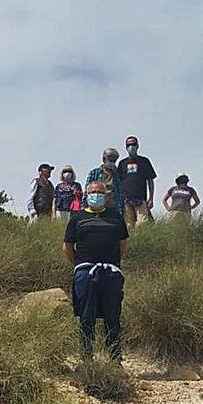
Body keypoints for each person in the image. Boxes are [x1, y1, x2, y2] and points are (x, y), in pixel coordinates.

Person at [63, 181, 129, 362]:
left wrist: (113, 262)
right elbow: (67, 246)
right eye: (92, 192)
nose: (96, 195)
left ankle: (115, 361)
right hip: (85, 272)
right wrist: (79, 264)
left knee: (112, 317)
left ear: (106, 196)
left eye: (100, 192)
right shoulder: (78, 218)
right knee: (86, 317)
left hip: (111, 273)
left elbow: (123, 245)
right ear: (86, 194)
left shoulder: (115, 217)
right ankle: (86, 360)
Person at [117, 136, 157, 229]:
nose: (131, 147)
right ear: (126, 147)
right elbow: (118, 181)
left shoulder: (144, 161)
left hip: (141, 199)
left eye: (133, 144)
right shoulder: (122, 163)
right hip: (126, 200)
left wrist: (151, 198)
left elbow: (150, 180)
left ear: (137, 146)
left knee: (142, 223)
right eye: (129, 145)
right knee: (128, 226)